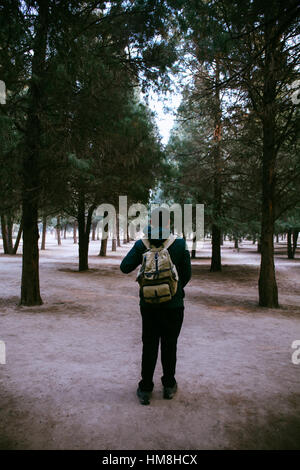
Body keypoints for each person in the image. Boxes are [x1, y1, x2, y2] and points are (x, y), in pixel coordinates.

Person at [120, 207, 192, 405]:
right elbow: (187, 275)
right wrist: (173, 290)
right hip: (174, 305)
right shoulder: (179, 244)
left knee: (149, 345)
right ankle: (169, 386)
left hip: (149, 306)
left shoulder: (142, 243)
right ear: (169, 223)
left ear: (150, 222)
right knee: (170, 344)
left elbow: (124, 267)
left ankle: (145, 388)